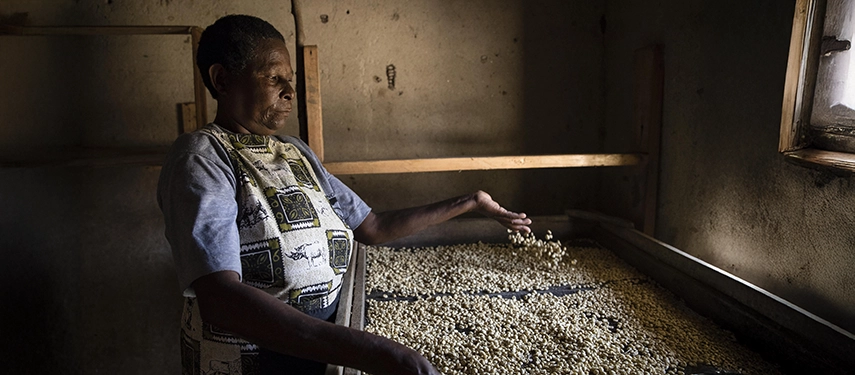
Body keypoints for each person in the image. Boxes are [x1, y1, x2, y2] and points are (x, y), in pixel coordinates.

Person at [157, 14, 531, 375]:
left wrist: (470, 201)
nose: (290, 92)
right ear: (222, 79)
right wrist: (375, 351)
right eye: (275, 79)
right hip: (255, 358)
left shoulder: (294, 151)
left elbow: (373, 225)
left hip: (319, 347)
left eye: (290, 80)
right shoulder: (203, 157)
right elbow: (220, 299)